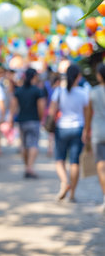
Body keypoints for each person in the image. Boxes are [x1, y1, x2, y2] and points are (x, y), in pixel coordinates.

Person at [49, 64, 88, 202]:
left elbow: (52, 111)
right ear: (79, 76)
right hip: (78, 128)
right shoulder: (83, 93)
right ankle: (72, 194)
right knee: (74, 162)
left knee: (59, 160)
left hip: (62, 128)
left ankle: (64, 181)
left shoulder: (59, 91)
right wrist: (87, 130)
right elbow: (87, 114)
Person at [10, 68, 45, 179]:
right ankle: (30, 167)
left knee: (25, 145)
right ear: (35, 76)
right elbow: (41, 107)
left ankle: (27, 167)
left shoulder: (19, 90)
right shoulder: (37, 91)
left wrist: (11, 119)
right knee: (33, 144)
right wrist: (40, 118)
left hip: (22, 121)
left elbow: (13, 107)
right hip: (33, 120)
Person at [83, 63, 105, 213]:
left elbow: (89, 114)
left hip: (98, 132)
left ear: (99, 75)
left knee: (101, 165)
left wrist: (85, 131)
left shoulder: (94, 91)